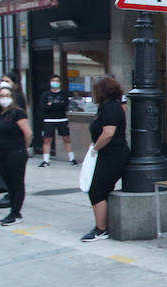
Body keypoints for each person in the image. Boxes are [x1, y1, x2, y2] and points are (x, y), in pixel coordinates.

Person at [82, 75, 129, 242]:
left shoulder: (111, 108)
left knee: (96, 190)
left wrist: (95, 148)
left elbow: (108, 133)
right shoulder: (106, 107)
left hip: (112, 154)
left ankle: (101, 228)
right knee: (102, 189)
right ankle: (104, 225)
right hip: (108, 154)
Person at [0, 84, 32, 227]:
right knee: (8, 184)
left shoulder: (18, 113)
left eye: (7, 96)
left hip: (16, 152)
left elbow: (28, 133)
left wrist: (23, 148)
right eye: (1, 96)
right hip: (1, 152)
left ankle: (15, 213)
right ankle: (13, 211)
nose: (4, 99)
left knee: (17, 183)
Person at [39, 74, 76, 167]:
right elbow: (44, 107)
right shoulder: (45, 94)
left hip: (62, 119)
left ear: (60, 83)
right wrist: (55, 105)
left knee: (66, 138)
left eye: (57, 81)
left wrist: (52, 105)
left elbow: (64, 105)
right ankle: (46, 160)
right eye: (53, 81)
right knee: (47, 140)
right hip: (48, 120)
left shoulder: (64, 94)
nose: (55, 83)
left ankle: (72, 158)